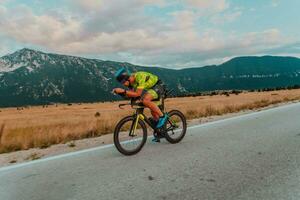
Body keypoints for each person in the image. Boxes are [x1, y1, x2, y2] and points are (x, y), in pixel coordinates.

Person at [113, 68, 168, 140]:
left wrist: (123, 91)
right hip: (151, 89)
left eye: (123, 82)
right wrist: (121, 93)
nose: (124, 84)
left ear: (128, 78)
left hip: (158, 85)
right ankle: (160, 131)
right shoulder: (131, 83)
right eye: (122, 83)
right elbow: (132, 95)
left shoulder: (140, 76)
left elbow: (137, 93)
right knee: (153, 111)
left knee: (145, 100)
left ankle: (163, 116)